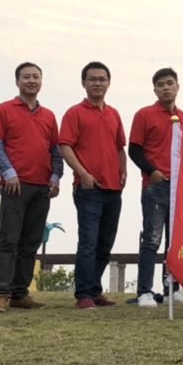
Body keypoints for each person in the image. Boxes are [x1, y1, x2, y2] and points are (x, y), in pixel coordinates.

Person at [0, 62, 62, 312]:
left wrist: (56, 176)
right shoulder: (3, 110)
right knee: (9, 240)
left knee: (31, 242)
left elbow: (55, 150)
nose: (31, 81)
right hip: (14, 186)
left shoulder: (49, 116)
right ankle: (1, 293)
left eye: (35, 77)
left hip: (42, 187)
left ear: (41, 81)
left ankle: (20, 293)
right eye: (26, 77)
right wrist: (8, 173)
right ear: (17, 81)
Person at [59, 61, 127, 310]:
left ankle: (95, 290)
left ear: (109, 83)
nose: (98, 83)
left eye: (102, 79)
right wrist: (83, 174)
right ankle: (84, 294)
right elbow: (64, 145)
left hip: (113, 188)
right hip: (89, 189)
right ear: (84, 83)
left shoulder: (114, 114)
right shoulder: (74, 113)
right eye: (92, 79)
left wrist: (123, 171)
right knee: (88, 242)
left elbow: (120, 147)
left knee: (105, 243)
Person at [129, 67, 183, 308]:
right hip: (155, 186)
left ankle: (171, 289)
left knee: (175, 242)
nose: (166, 88)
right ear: (155, 90)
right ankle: (145, 291)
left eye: (169, 83)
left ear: (177, 86)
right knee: (152, 239)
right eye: (160, 85)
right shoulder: (144, 115)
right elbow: (134, 150)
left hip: (179, 188)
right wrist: (152, 171)